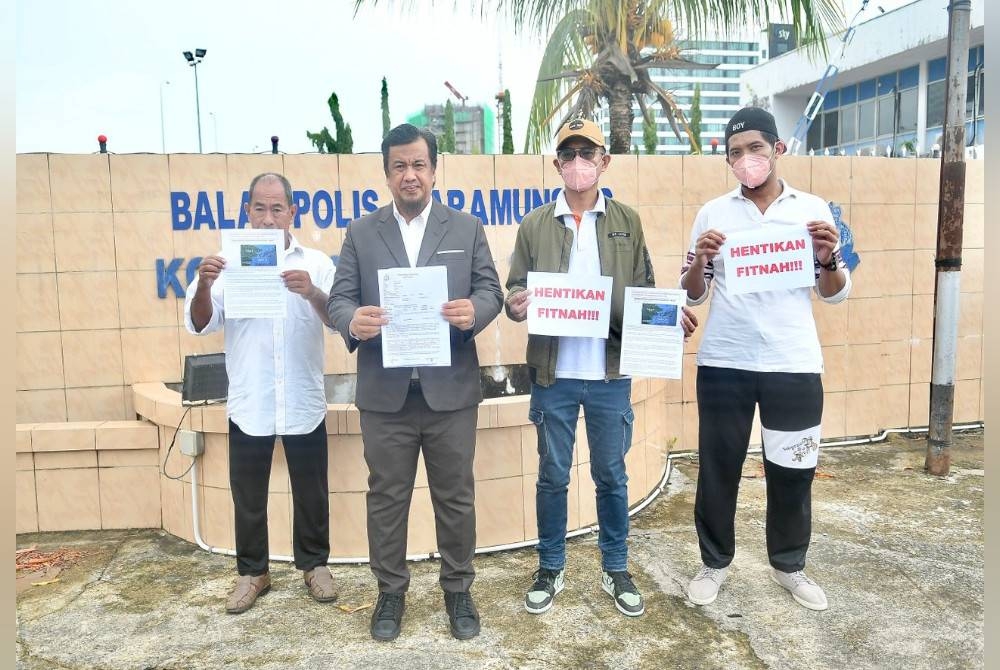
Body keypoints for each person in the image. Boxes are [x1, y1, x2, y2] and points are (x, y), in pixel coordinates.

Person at [506, 118, 698, 617]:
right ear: (556, 164)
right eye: (568, 154)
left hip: (610, 376)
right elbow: (512, 291)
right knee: (551, 476)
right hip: (554, 376)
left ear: (603, 161)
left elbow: (645, 292)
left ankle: (616, 567)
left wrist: (667, 316)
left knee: (611, 475)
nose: (577, 163)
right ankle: (551, 565)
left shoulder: (626, 222)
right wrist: (517, 304)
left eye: (586, 153)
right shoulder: (534, 224)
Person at [327, 123, 503, 641]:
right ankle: (390, 593)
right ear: (386, 173)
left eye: (419, 165)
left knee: (455, 496)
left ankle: (458, 591)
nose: (410, 175)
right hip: (386, 393)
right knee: (387, 496)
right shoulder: (362, 233)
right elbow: (339, 298)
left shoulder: (465, 228)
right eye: (400, 166)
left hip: (450, 391)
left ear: (434, 169)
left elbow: (490, 288)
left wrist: (477, 310)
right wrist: (349, 320)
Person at [680, 107, 851, 612]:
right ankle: (713, 563)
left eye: (755, 148)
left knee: (793, 471)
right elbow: (692, 295)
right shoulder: (713, 213)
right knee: (718, 468)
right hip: (725, 364)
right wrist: (701, 261)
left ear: (778, 149)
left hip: (793, 365)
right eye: (735, 153)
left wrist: (827, 257)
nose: (746, 159)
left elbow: (836, 293)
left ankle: (790, 565)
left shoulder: (813, 209)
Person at [184, 172, 338, 614]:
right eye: (259, 208)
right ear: (247, 212)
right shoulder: (225, 264)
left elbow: (337, 319)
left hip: (302, 399)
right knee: (247, 493)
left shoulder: (316, 263)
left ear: (293, 212)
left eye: (277, 208)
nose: (268, 217)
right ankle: (253, 573)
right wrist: (206, 285)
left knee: (312, 489)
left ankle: (315, 565)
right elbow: (199, 323)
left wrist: (311, 292)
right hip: (251, 399)